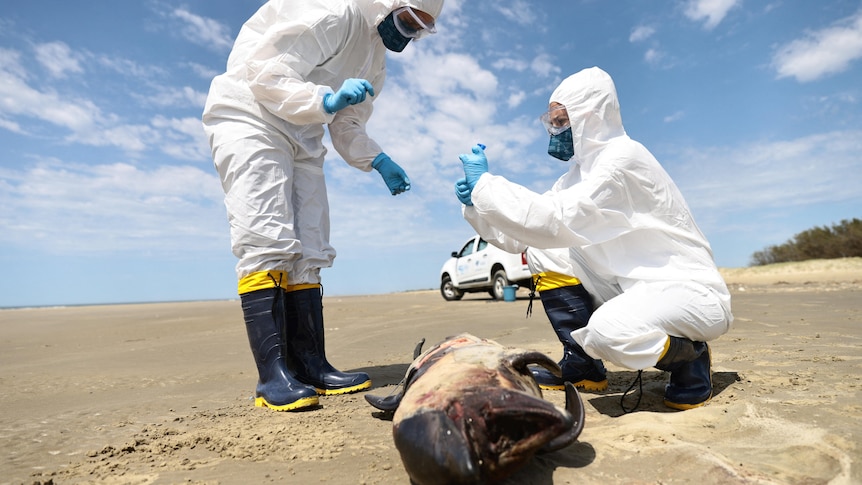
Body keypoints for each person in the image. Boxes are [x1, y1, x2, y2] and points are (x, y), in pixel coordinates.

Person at [202, 0, 444, 412]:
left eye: (420, 30)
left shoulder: (375, 61)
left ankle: (312, 364)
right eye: (407, 21)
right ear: (388, 5)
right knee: (266, 237)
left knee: (311, 246)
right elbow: (265, 72)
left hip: (303, 134)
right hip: (252, 117)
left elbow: (349, 123)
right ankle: (272, 375)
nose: (408, 35)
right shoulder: (335, 12)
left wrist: (377, 159)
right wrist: (324, 99)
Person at [454, 67, 733, 410]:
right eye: (551, 121)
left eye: (560, 120)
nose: (554, 130)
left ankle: (689, 357)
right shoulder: (577, 176)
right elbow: (526, 237)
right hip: (632, 289)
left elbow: (554, 219)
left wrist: (486, 185)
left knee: (607, 333)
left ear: (589, 116)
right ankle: (583, 363)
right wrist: (475, 208)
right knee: (544, 252)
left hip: (687, 294)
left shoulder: (622, 160)